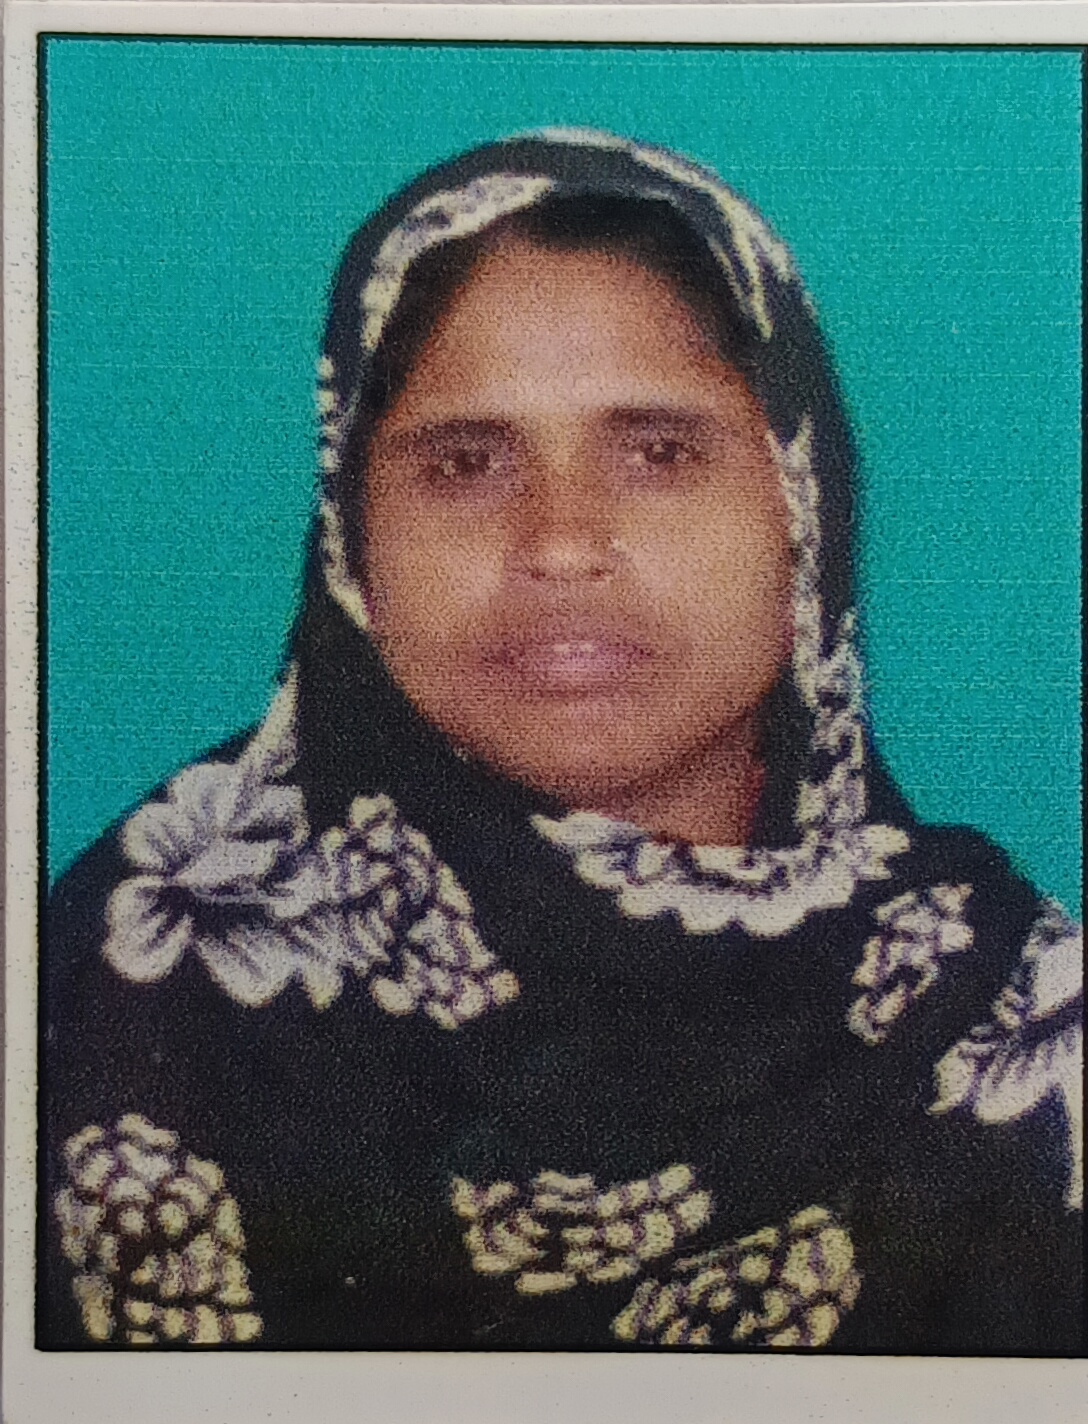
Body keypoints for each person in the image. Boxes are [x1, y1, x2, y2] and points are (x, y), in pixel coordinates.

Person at [40, 129, 1083, 1353]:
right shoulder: (144, 976)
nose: (560, 543)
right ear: (351, 536)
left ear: (802, 503)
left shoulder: (1006, 1019)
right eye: (465, 461)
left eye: (658, 451)